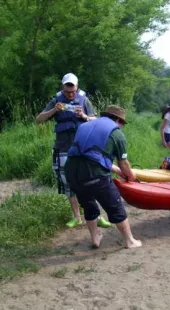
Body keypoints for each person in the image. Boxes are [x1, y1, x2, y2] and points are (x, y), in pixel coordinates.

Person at [36, 73, 111, 229]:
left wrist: (83, 115)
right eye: (67, 91)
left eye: (72, 91)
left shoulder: (84, 100)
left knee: (90, 180)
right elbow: (39, 120)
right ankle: (77, 217)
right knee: (68, 181)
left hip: (83, 146)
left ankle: (98, 216)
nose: (70, 94)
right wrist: (53, 111)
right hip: (62, 147)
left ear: (77, 87)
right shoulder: (56, 100)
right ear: (63, 87)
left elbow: (95, 119)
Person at [64, 105, 142, 249]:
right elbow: (123, 162)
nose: (121, 126)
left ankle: (95, 238)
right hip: (95, 176)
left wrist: (119, 172)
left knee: (88, 205)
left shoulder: (85, 126)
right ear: (118, 119)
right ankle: (130, 241)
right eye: (122, 123)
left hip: (71, 173)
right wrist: (131, 177)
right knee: (115, 206)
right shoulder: (117, 134)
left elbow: (91, 155)